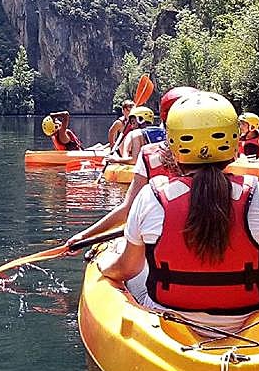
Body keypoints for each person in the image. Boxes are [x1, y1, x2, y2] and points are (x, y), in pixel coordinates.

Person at [95, 92, 259, 327]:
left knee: (121, 255)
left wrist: (103, 266)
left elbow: (127, 269)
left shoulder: (151, 197)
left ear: (172, 145)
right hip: (254, 322)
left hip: (169, 320)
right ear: (234, 144)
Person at [64, 86, 195, 250]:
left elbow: (127, 209)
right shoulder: (226, 162)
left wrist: (85, 235)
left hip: (162, 251)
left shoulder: (147, 155)